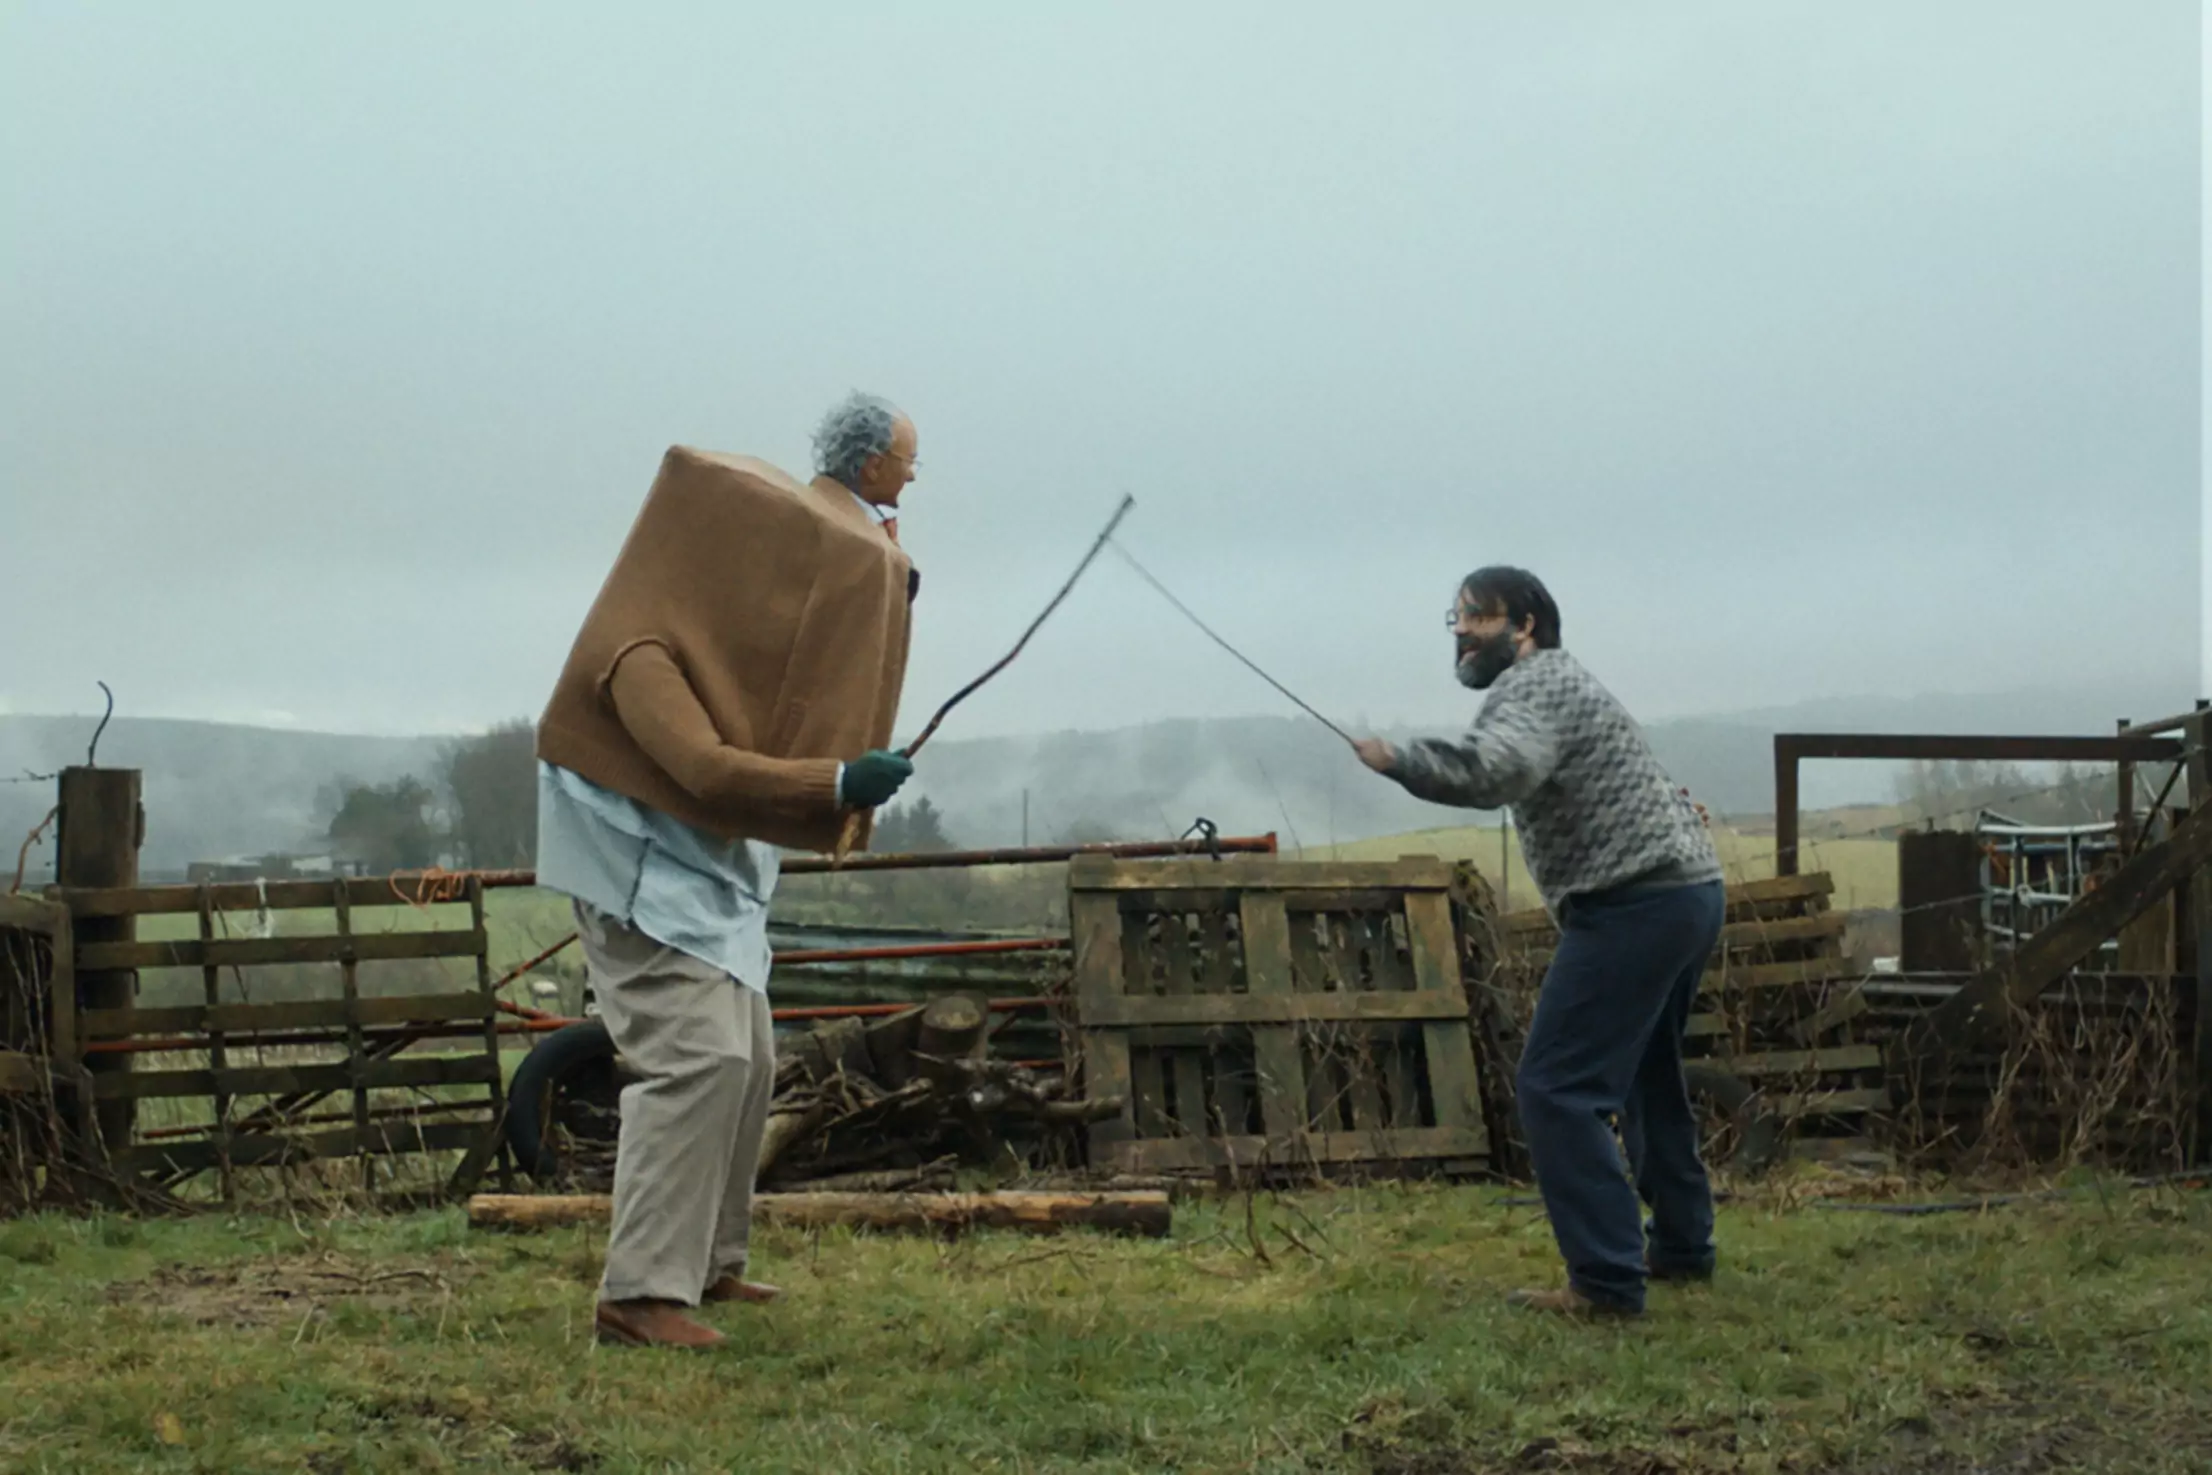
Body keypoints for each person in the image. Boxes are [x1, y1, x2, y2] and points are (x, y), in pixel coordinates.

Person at [533, 391, 923, 1351]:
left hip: (706, 879)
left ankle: (708, 1261)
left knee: (745, 1060)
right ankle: (638, 1293)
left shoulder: (703, 647)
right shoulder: (638, 650)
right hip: (635, 880)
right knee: (696, 1060)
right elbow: (705, 768)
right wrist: (834, 779)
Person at [1352, 566, 1725, 1319]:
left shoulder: (1532, 688)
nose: (1459, 629)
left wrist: (1402, 762)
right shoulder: (1565, 682)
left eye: (1475, 617)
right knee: (1648, 1077)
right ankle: (1681, 1247)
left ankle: (1607, 1281)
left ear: (1523, 625)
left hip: (1634, 904)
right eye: (1453, 616)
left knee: (1556, 1087)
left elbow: (1500, 767)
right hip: (1686, 892)